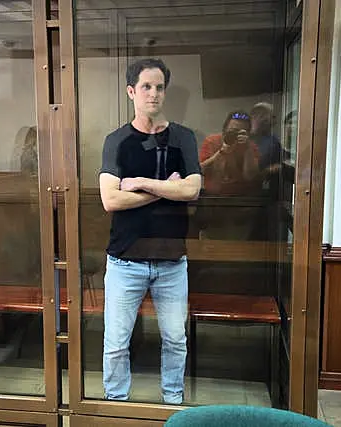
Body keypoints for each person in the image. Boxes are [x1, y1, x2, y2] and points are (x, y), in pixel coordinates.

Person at [99, 58, 202, 404]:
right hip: (125, 261)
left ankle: (172, 405)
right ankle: (116, 407)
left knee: (176, 339)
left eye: (159, 87)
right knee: (116, 343)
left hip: (172, 261)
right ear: (131, 91)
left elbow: (191, 191)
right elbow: (110, 199)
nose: (153, 94)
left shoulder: (184, 138)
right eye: (146, 86)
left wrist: (141, 183)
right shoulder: (118, 141)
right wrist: (163, 188)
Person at [199, 110, 260, 196]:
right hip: (213, 198)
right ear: (224, 129)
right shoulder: (211, 141)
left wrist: (247, 150)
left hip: (241, 199)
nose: (236, 135)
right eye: (233, 131)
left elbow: (250, 176)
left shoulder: (250, 147)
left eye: (241, 132)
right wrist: (222, 151)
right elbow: (201, 171)